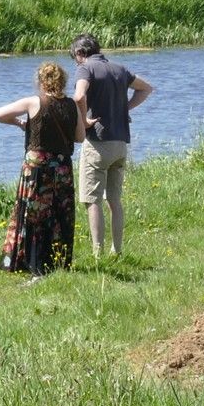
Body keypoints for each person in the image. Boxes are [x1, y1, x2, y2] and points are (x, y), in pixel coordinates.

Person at [0, 61, 84, 277]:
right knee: (60, 215)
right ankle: (58, 262)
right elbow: (80, 137)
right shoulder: (72, 105)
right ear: (63, 81)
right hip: (62, 169)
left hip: (36, 171)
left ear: (41, 81)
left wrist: (19, 123)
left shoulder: (34, 102)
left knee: (34, 215)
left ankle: (32, 263)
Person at [70, 34, 153, 256]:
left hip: (98, 143)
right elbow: (146, 88)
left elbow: (79, 96)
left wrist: (84, 120)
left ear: (80, 53)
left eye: (75, 58)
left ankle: (98, 253)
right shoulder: (119, 69)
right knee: (114, 200)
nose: (76, 62)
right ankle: (117, 251)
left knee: (92, 200)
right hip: (120, 144)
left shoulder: (86, 68)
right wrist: (125, 108)